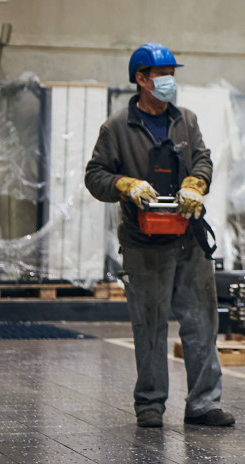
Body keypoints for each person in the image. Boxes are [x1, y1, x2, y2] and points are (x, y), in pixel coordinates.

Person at [85, 42, 234, 428]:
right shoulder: (117, 127)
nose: (170, 81)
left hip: (188, 238)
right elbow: (95, 176)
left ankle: (204, 404)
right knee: (149, 324)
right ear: (141, 79)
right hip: (144, 243)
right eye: (162, 74)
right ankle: (150, 404)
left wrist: (196, 183)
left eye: (172, 74)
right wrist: (125, 185)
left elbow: (202, 158)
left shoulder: (186, 120)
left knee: (201, 321)